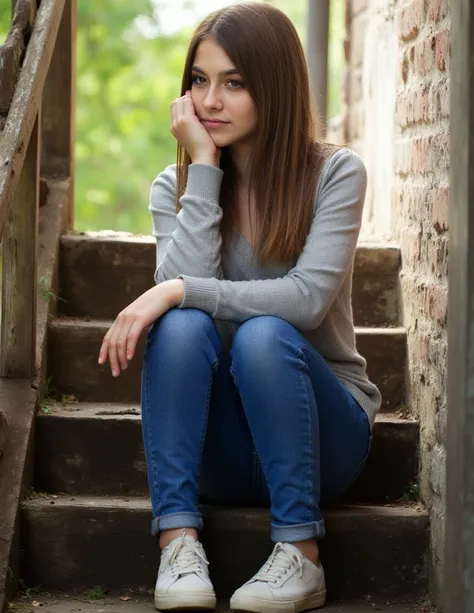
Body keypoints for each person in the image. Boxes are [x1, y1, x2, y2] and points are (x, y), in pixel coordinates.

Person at [98, 2, 382, 612]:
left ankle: (301, 555)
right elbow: (182, 301)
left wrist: (179, 290)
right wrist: (203, 169)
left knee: (261, 335)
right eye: (199, 81)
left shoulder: (335, 174)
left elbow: (305, 300)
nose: (209, 100)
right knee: (179, 327)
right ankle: (177, 542)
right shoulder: (173, 187)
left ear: (273, 86)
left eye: (233, 82)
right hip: (217, 450)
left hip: (321, 437)